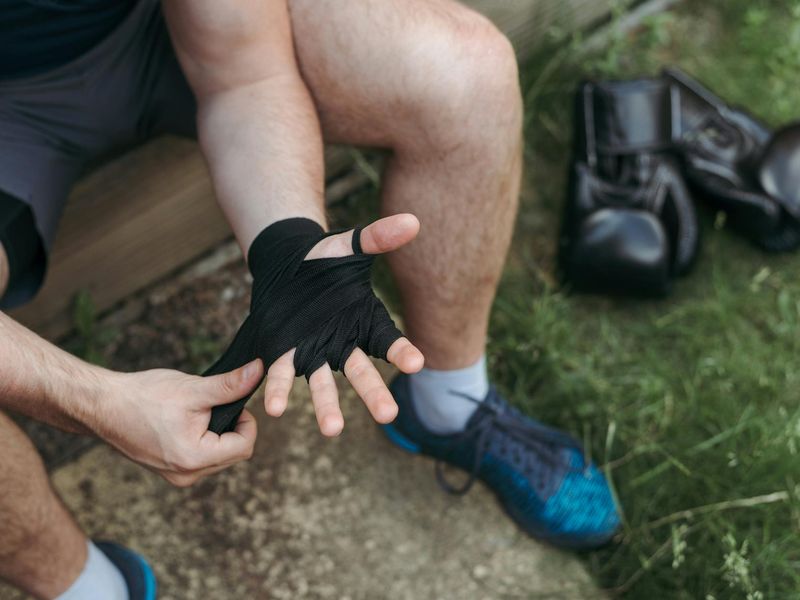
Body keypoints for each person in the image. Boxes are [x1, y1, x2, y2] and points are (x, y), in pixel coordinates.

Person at [0, 1, 621, 598]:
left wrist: (287, 247)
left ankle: (449, 408)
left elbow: (243, 73)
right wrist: (92, 400)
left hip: (148, 26)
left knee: (466, 73)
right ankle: (87, 588)